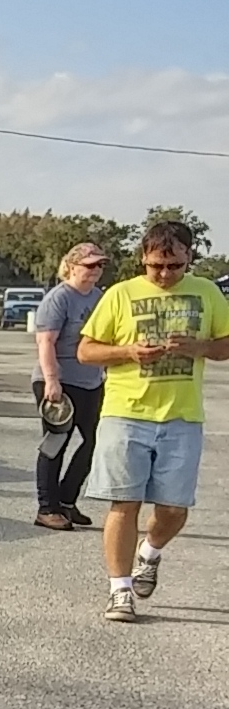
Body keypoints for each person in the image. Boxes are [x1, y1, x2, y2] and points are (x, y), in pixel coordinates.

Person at [77, 219, 229, 622]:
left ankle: (150, 552)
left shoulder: (207, 292)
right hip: (126, 414)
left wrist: (200, 346)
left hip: (182, 417)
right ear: (143, 258)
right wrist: (128, 351)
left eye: (174, 266)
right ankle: (120, 590)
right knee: (123, 503)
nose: (164, 274)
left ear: (189, 258)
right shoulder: (120, 295)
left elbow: (226, 344)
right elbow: (86, 351)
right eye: (156, 266)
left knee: (174, 509)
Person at [29, 242, 110, 530]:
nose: (96, 270)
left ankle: (67, 500)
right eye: (90, 265)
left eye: (100, 265)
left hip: (91, 381)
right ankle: (46, 508)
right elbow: (45, 342)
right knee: (55, 444)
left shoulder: (99, 297)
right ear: (72, 266)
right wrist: (52, 380)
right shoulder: (59, 298)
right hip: (58, 381)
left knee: (97, 441)